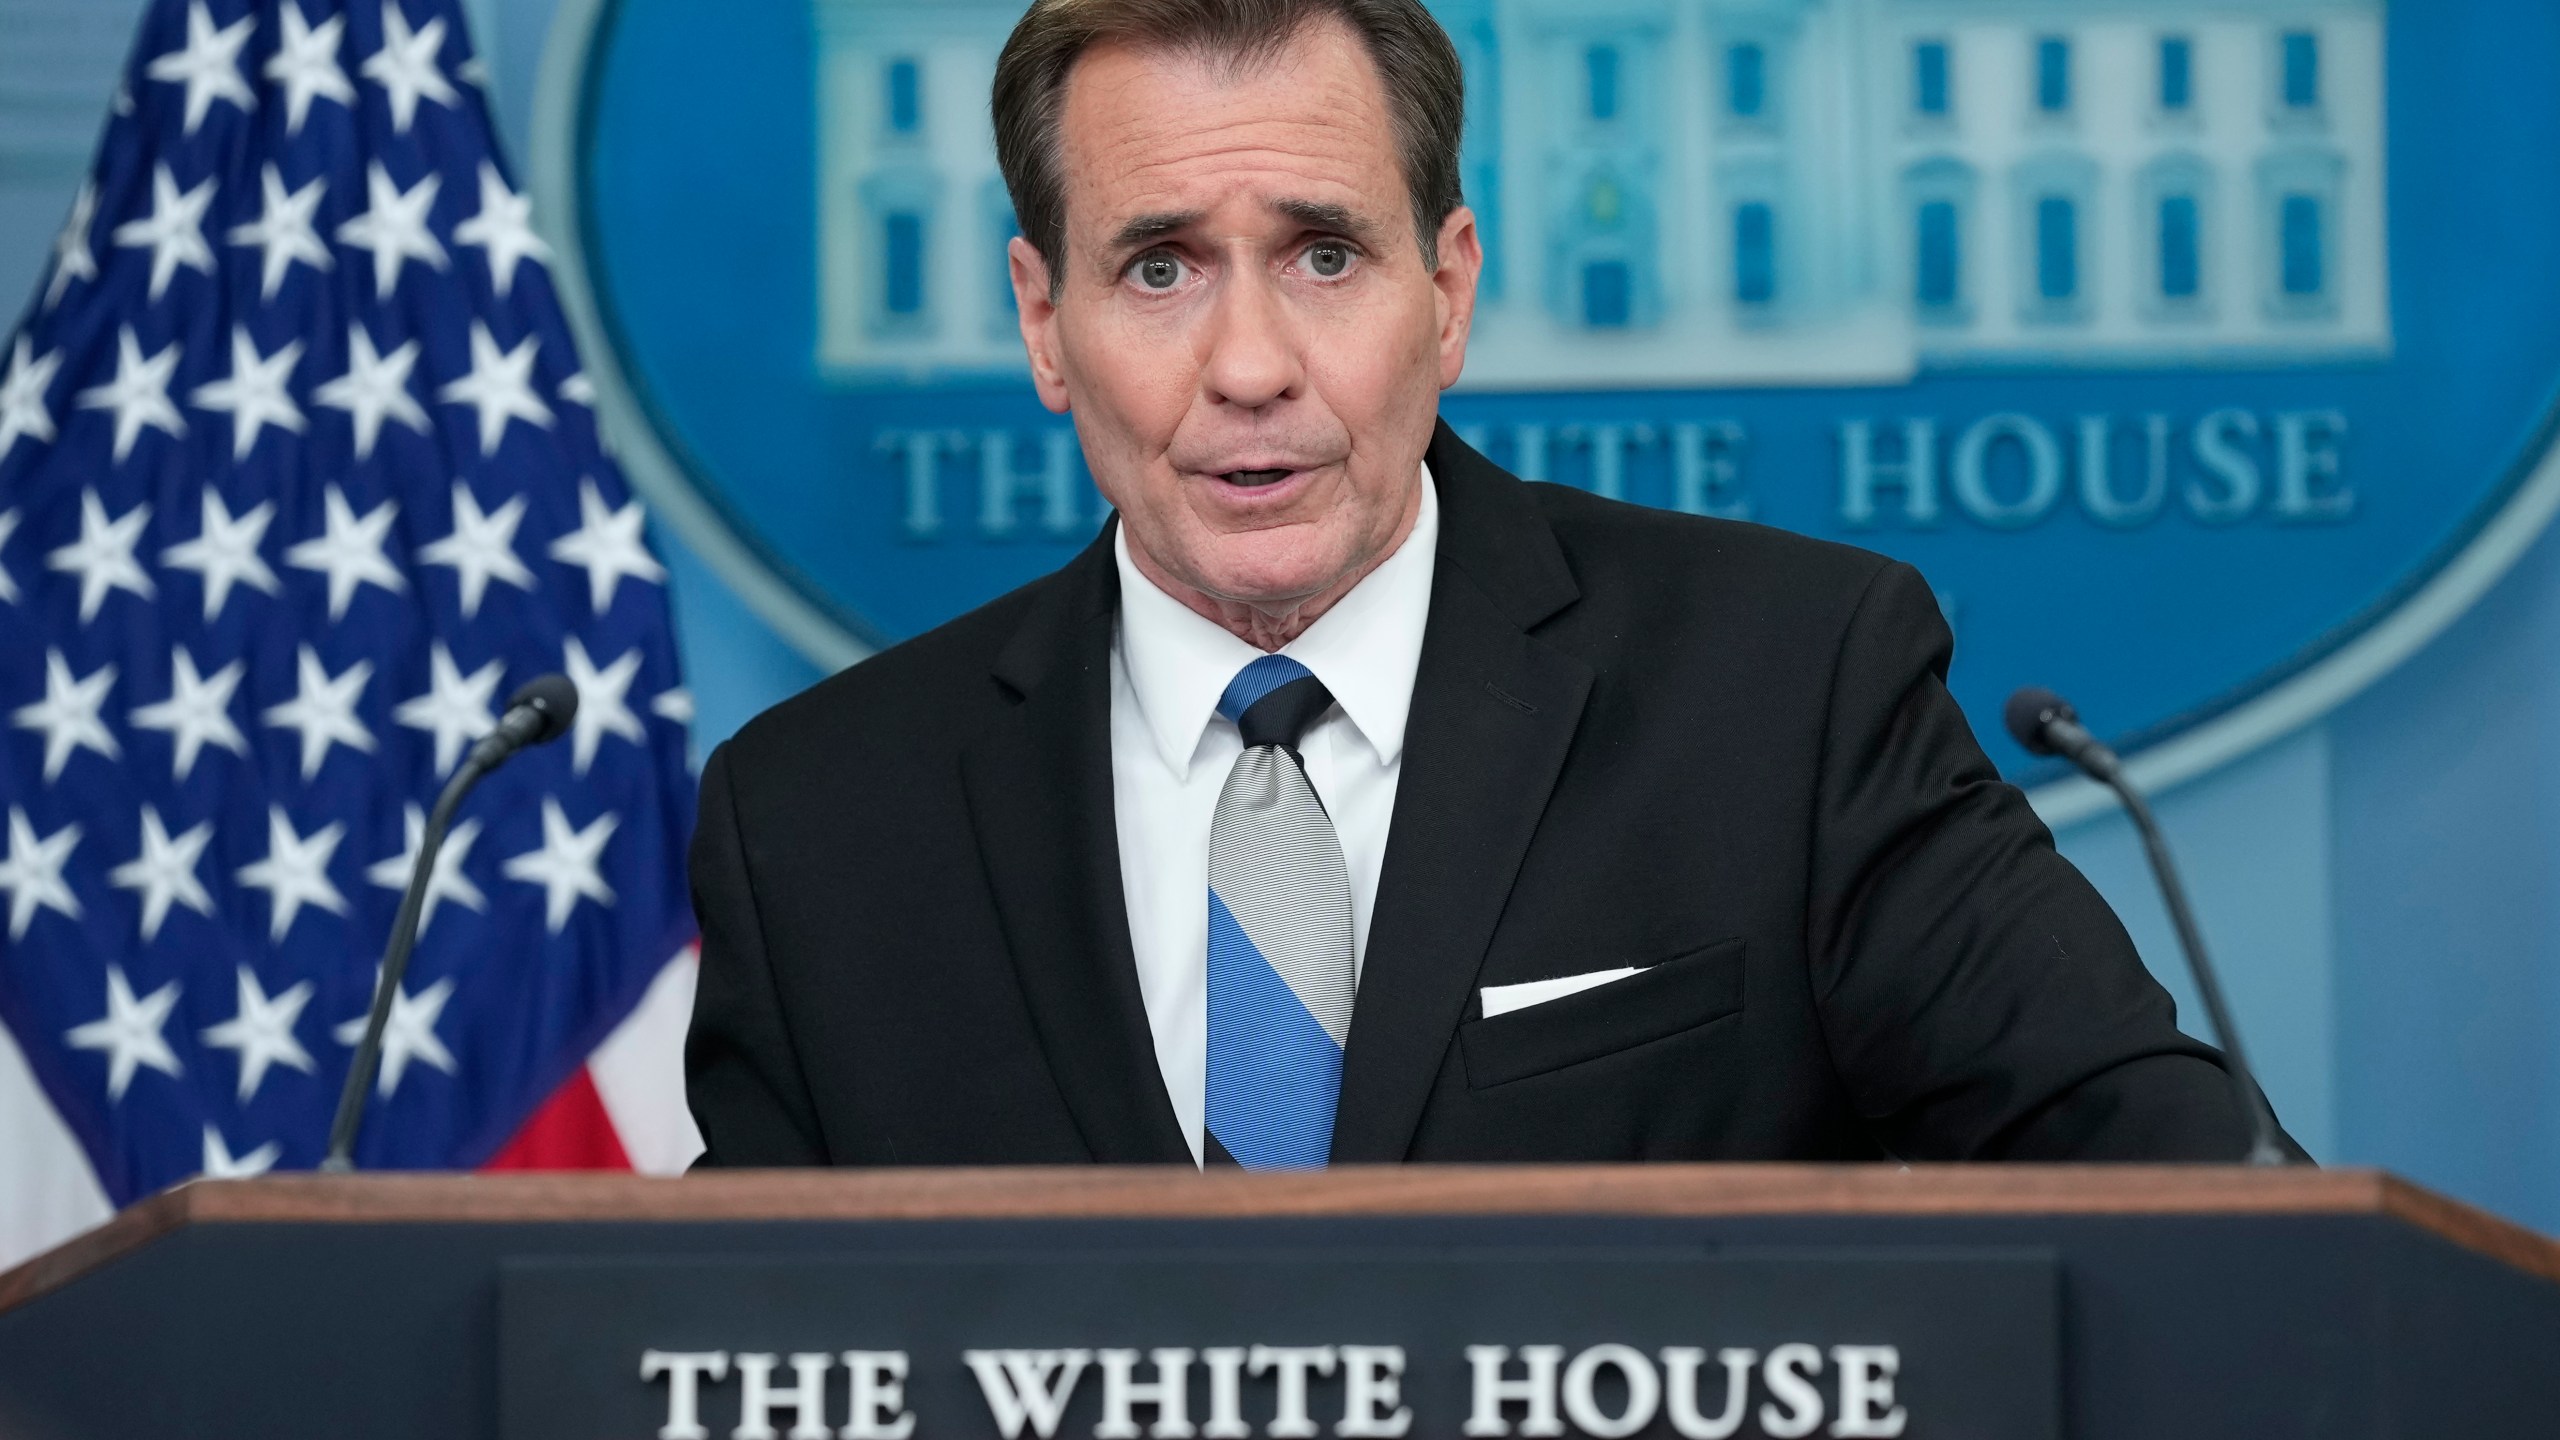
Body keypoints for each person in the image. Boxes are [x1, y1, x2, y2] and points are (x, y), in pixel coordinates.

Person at [685, 0, 2292, 1168]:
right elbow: (712, 1360)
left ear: (1447, 294)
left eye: (1324, 254)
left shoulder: (1790, 696)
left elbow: (2176, 1194)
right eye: (1158, 267)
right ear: (1043, 321)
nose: (1249, 365)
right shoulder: (820, 823)